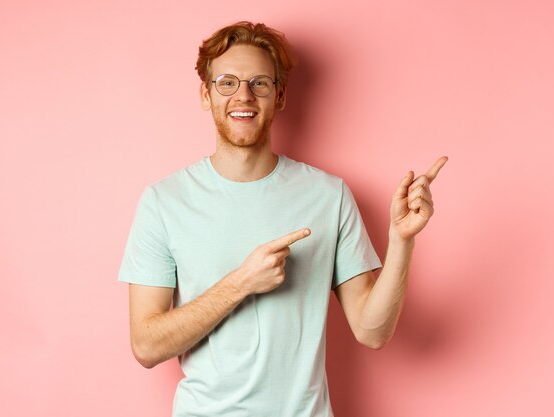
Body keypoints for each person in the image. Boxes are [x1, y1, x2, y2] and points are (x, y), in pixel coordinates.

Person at [118, 21, 447, 417]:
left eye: (260, 83)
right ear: (206, 94)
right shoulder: (164, 202)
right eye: (227, 82)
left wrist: (402, 240)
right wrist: (241, 283)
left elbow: (372, 331)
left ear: (280, 96)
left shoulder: (329, 196)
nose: (243, 95)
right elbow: (146, 345)